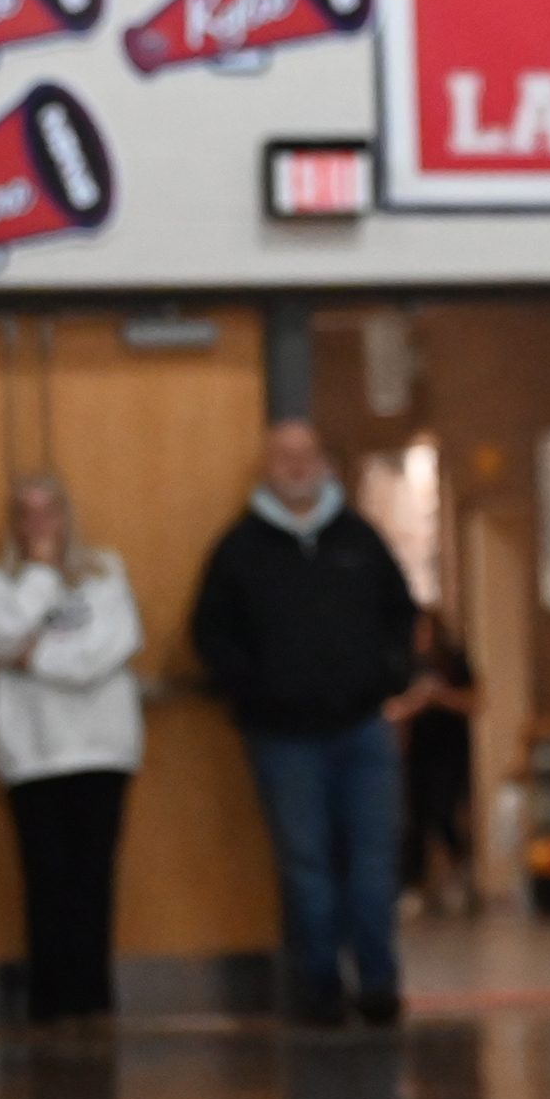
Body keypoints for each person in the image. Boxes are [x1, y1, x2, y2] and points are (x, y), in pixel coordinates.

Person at [190, 418, 418, 1030]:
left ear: (325, 462)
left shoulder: (359, 539)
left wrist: (389, 675)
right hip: (283, 736)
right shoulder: (240, 548)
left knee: (374, 858)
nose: (296, 466)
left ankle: (378, 981)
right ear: (267, 465)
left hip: (361, 726)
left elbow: (401, 613)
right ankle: (320, 984)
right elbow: (211, 634)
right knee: (306, 862)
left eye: (307, 454)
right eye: (284, 456)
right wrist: (255, 694)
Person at [0, 474, 143, 1032]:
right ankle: (51, 1005)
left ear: (68, 516)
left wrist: (35, 659)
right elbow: (0, 638)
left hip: (101, 749)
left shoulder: (105, 573)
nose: (40, 524)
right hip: (34, 754)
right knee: (46, 880)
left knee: (94, 878)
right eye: (27, 513)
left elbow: (109, 649)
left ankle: (95, 1000)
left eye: (50, 511)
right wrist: (41, 574)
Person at [388, 610, 478, 915]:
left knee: (445, 813)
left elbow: (475, 701)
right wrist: (418, 701)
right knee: (413, 819)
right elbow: (391, 710)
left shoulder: (453, 661)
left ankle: (460, 875)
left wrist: (441, 697)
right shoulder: (401, 663)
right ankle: (412, 885)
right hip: (413, 753)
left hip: (450, 753)